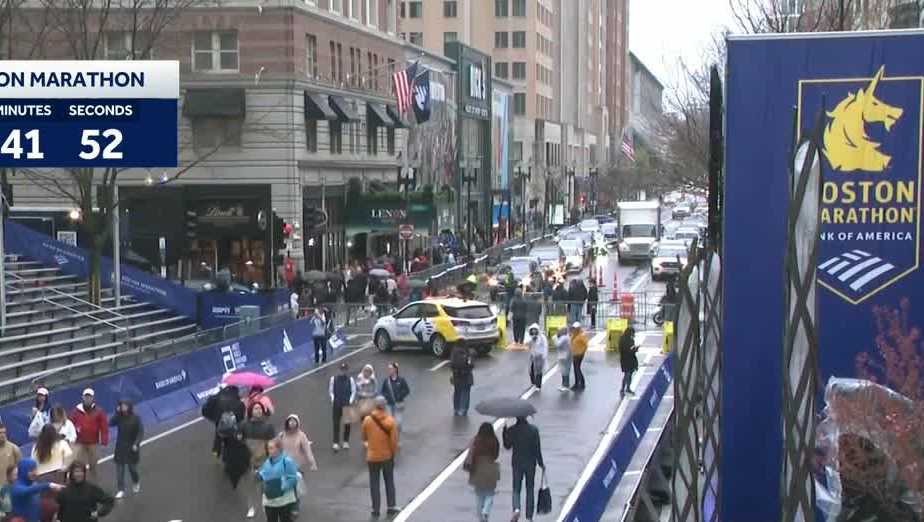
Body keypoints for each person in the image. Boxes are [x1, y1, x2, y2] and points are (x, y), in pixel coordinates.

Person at [361, 396, 399, 518]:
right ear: (385, 406)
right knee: (389, 481)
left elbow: (364, 437)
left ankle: (375, 508)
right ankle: (391, 505)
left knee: (374, 483)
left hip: (372, 457)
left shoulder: (367, 420)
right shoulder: (390, 421)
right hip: (386, 456)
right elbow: (394, 442)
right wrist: (393, 454)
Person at [502, 417, 545, 522]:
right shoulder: (533, 430)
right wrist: (541, 463)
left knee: (516, 489)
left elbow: (507, 446)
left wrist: (504, 431)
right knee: (530, 489)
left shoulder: (512, 430)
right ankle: (529, 517)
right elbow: (537, 449)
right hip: (530, 464)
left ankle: (516, 509)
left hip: (517, 463)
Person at [239, 402, 276, 518]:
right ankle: (251, 507)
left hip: (263, 460)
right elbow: (239, 440)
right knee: (250, 485)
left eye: (260, 408)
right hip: (248, 460)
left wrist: (272, 458)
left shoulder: (268, 426)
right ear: (251, 411)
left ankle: (266, 505)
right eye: (256, 408)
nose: (259, 410)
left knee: (264, 485)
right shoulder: (244, 425)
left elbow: (272, 443)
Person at [68, 389, 108, 482]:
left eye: (89, 397)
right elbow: (70, 424)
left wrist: (104, 441)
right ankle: (80, 484)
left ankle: (94, 483)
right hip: (79, 442)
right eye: (86, 397)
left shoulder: (99, 411)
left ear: (93, 398)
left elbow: (104, 427)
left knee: (93, 464)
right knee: (79, 465)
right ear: (83, 397)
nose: (87, 399)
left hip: (93, 442)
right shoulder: (76, 411)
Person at [465, 423, 501, 522]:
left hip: (478, 468)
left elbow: (471, 454)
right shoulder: (494, 440)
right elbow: (496, 455)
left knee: (479, 495)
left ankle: (481, 516)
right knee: (490, 493)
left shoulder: (476, 440)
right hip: (491, 467)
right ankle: (486, 510)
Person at [257, 438, 299, 522]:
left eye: (271, 448)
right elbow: (264, 473)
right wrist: (259, 475)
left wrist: (283, 486)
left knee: (285, 519)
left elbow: (293, 478)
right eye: (268, 448)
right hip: (270, 499)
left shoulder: (287, 461)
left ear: (279, 449)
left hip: (284, 499)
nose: (269, 450)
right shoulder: (267, 461)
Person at [108, 399, 143, 499]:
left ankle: (136, 482)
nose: (123, 407)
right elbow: (110, 423)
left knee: (132, 469)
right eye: (121, 406)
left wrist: (136, 444)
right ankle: (121, 490)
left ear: (129, 406)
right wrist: (116, 412)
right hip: (120, 448)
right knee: (119, 471)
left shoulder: (136, 418)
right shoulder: (119, 417)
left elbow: (140, 433)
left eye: (124, 405)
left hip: (131, 448)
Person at [203, 384, 246, 459]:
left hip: (220, 421)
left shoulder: (217, 397)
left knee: (219, 434)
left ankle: (216, 450)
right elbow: (240, 417)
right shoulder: (237, 401)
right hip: (233, 425)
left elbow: (207, 409)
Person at [329, 362, 357, 452]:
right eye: (341, 370)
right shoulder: (333, 379)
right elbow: (331, 391)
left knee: (347, 424)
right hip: (337, 404)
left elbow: (353, 391)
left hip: (346, 404)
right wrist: (333, 399)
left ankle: (346, 441)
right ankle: (335, 442)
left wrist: (350, 401)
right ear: (339, 370)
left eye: (344, 370)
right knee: (336, 423)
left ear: (347, 370)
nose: (343, 371)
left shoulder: (350, 380)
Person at [380, 362, 410, 430]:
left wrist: (400, 396)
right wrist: (386, 396)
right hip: (389, 404)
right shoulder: (386, 380)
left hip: (398, 403)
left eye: (391, 368)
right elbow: (382, 391)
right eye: (389, 369)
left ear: (395, 369)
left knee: (398, 422)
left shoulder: (401, 380)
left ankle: (398, 431)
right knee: (389, 420)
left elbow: (407, 390)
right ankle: (392, 433)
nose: (389, 370)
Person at [450, 345, 475, 416]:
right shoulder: (469, 352)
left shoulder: (454, 352)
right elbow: (471, 365)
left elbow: (452, 365)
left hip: (456, 376)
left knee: (457, 391)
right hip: (466, 376)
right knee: (465, 392)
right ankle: (463, 409)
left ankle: (456, 408)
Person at [526, 324, 548, 390]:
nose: (533, 331)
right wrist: (531, 340)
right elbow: (527, 344)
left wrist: (544, 356)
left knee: (539, 371)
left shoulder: (542, 337)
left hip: (539, 356)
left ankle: (538, 385)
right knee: (531, 370)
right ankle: (533, 382)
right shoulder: (530, 337)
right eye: (532, 330)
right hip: (532, 356)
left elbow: (545, 346)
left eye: (535, 330)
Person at [619, 326, 639, 395]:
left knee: (629, 374)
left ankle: (627, 388)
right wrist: (634, 349)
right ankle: (623, 388)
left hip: (628, 359)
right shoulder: (625, 340)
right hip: (626, 359)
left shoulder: (624, 339)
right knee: (627, 374)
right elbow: (627, 350)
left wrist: (634, 349)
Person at [0, 424, 21, 489]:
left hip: (11, 487)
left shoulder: (14, 449)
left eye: (4, 432)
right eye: (0, 433)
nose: (3, 435)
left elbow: (20, 469)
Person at [570, 322, 589, 391]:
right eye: (573, 328)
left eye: (575, 328)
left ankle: (579, 384)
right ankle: (579, 383)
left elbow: (586, 345)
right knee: (576, 369)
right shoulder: (574, 334)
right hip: (574, 354)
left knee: (577, 369)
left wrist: (582, 352)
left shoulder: (581, 335)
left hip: (579, 355)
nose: (573, 329)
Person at [555, 327, 573, 391]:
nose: (558, 332)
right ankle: (564, 385)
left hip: (564, 356)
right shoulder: (566, 337)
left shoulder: (564, 337)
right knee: (564, 371)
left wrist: (555, 337)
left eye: (559, 331)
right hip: (565, 356)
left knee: (565, 371)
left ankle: (565, 385)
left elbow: (558, 344)